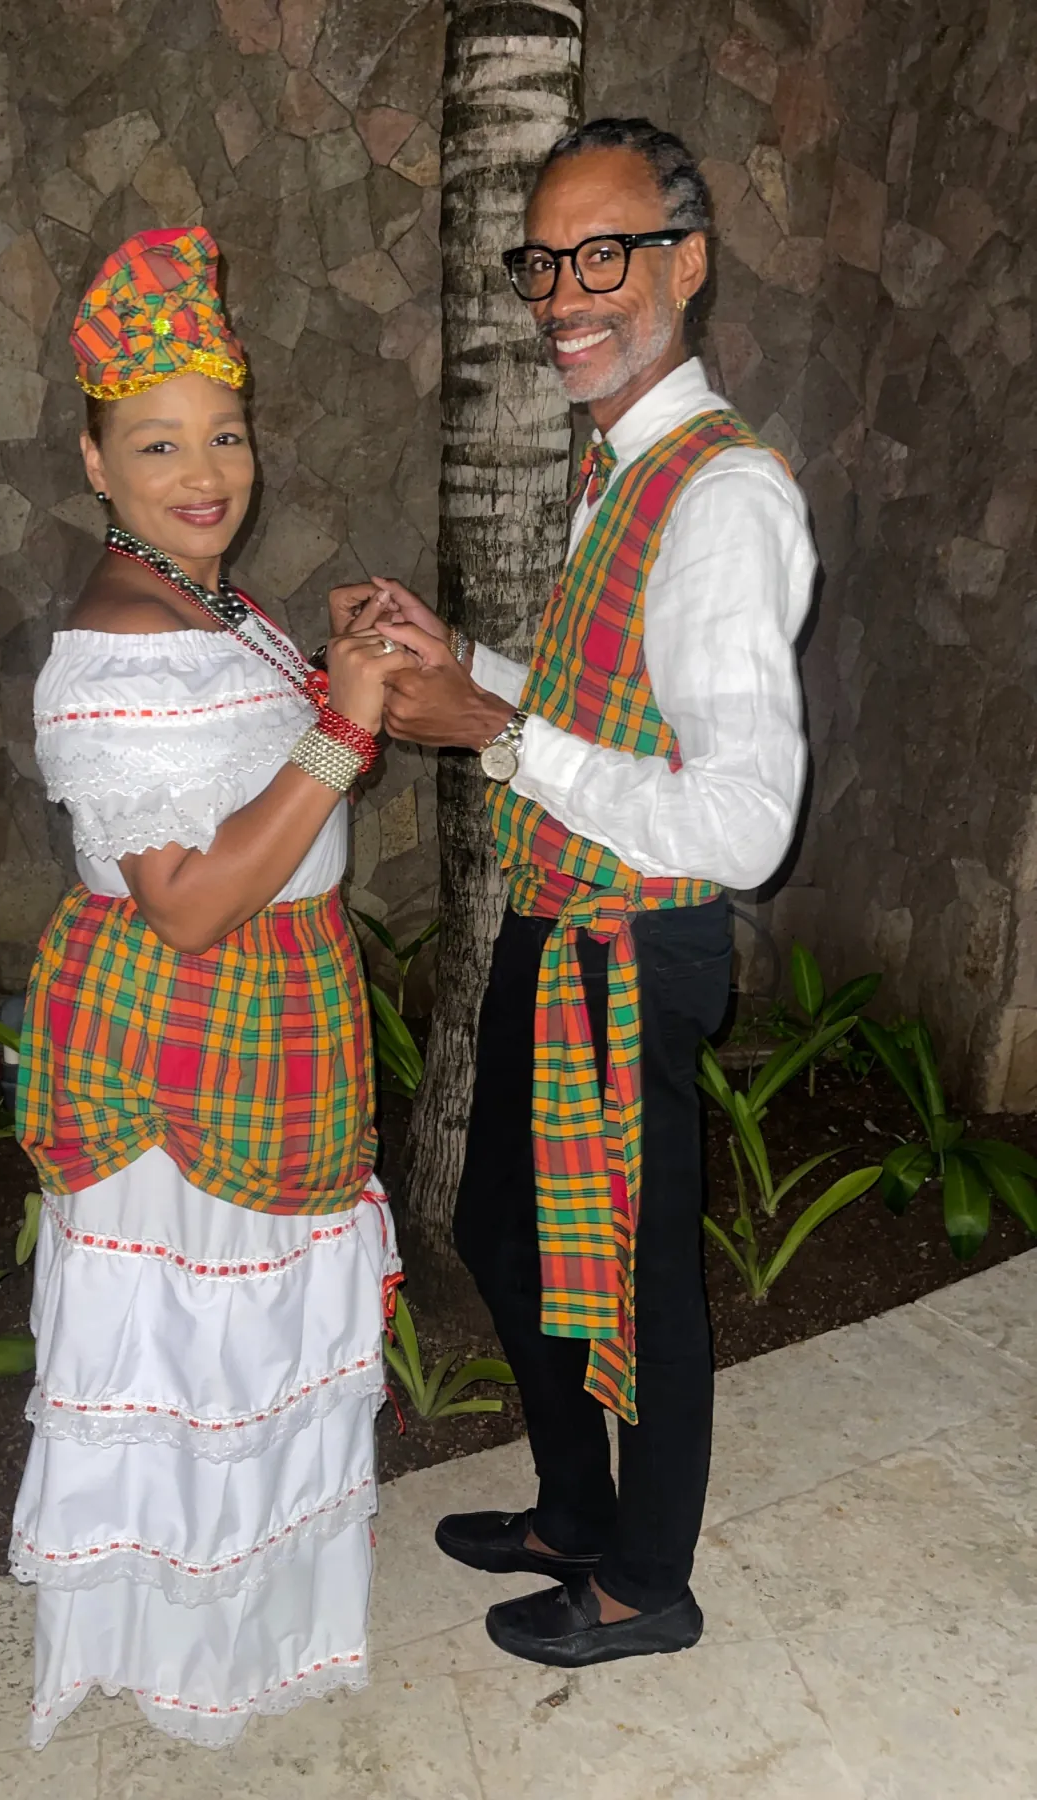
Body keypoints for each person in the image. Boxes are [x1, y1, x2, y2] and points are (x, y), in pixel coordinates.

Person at [354, 117, 817, 1668]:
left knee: (639, 1275)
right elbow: (598, 710)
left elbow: (743, 823)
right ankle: (571, 1511)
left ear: (683, 264)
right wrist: (461, 663)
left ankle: (647, 1581)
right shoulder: (617, 465)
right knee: (504, 1225)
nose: (564, 291)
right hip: (561, 929)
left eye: (603, 253)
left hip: (638, 943)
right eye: (544, 259)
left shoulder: (722, 499)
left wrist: (491, 731)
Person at [10, 227, 410, 1747]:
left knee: (230, 1359)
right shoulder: (115, 645)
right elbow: (181, 902)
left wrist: (334, 665)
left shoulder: (204, 603)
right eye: (159, 442)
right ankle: (187, 1657)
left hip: (264, 1025)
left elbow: (235, 780)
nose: (206, 470)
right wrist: (345, 730)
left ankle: (237, 1632)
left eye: (224, 434)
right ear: (94, 463)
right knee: (194, 1359)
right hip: (188, 1040)